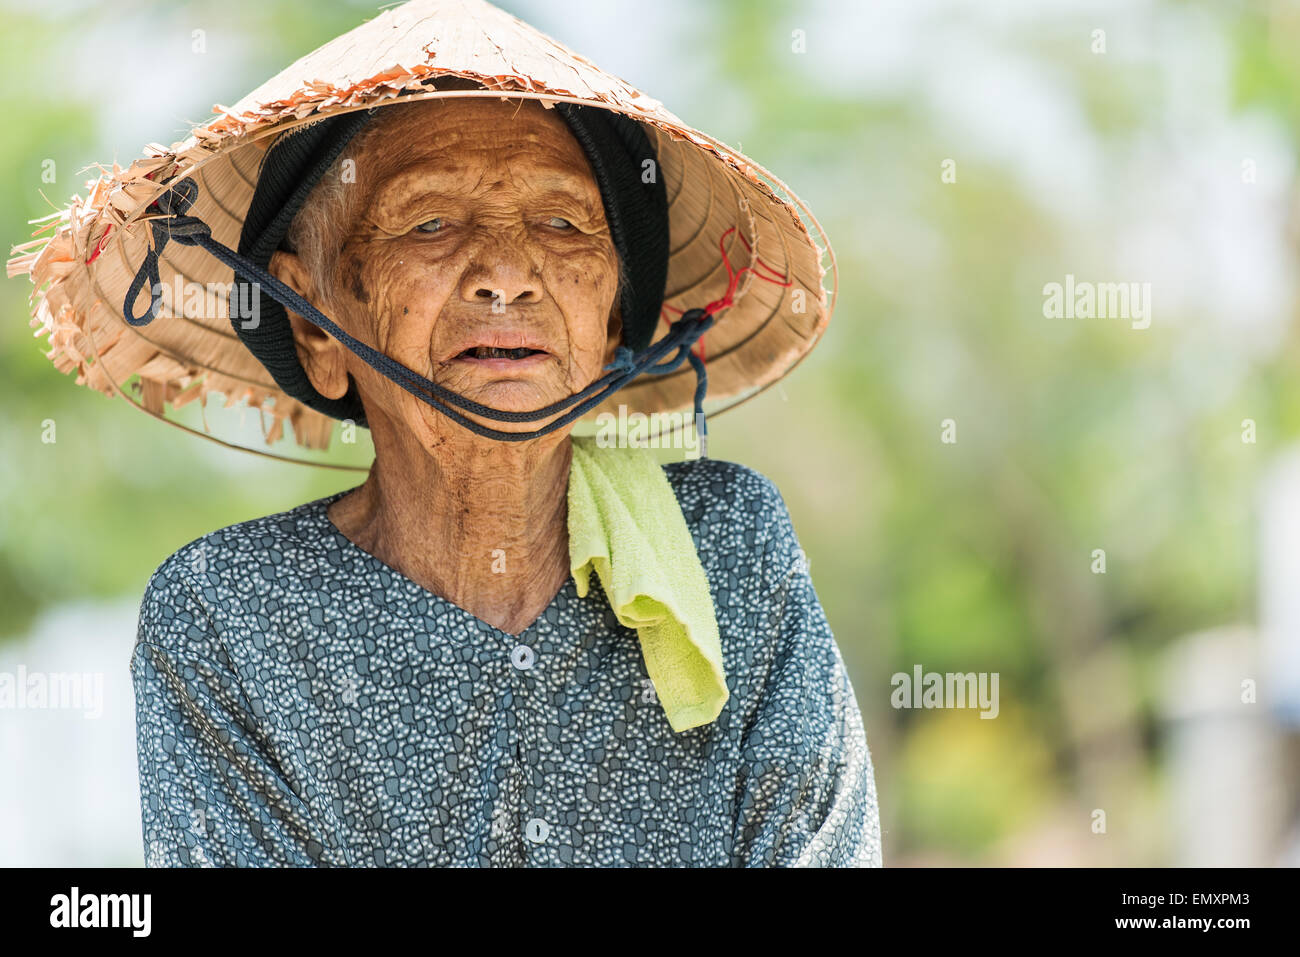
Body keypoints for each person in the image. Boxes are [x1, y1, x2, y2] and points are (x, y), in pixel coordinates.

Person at [10, 0, 881, 867]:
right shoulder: (230, 614)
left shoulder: (730, 547)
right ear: (315, 325)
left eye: (561, 223)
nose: (507, 276)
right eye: (429, 223)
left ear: (613, 318)